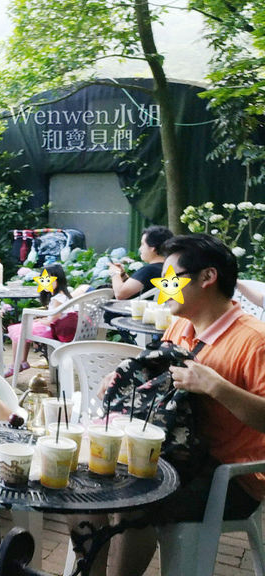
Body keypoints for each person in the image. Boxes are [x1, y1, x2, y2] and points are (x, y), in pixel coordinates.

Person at [76, 234, 265, 576]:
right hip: (173, 452)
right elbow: (159, 378)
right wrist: (121, 378)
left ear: (208, 277)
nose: (162, 290)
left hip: (232, 474)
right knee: (89, 479)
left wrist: (217, 387)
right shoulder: (180, 324)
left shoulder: (254, 341)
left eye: (170, 280)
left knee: (134, 502)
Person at [4, 264, 73, 378]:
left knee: (20, 330)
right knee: (22, 329)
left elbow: (52, 319)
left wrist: (40, 320)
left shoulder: (58, 298)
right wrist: (41, 319)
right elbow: (54, 316)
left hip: (55, 329)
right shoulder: (63, 296)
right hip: (56, 326)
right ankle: (22, 361)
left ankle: (16, 364)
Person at [107, 225, 173, 300]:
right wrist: (123, 275)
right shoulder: (169, 269)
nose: (140, 249)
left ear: (153, 248)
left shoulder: (149, 270)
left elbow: (120, 294)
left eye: (142, 244)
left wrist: (114, 273)